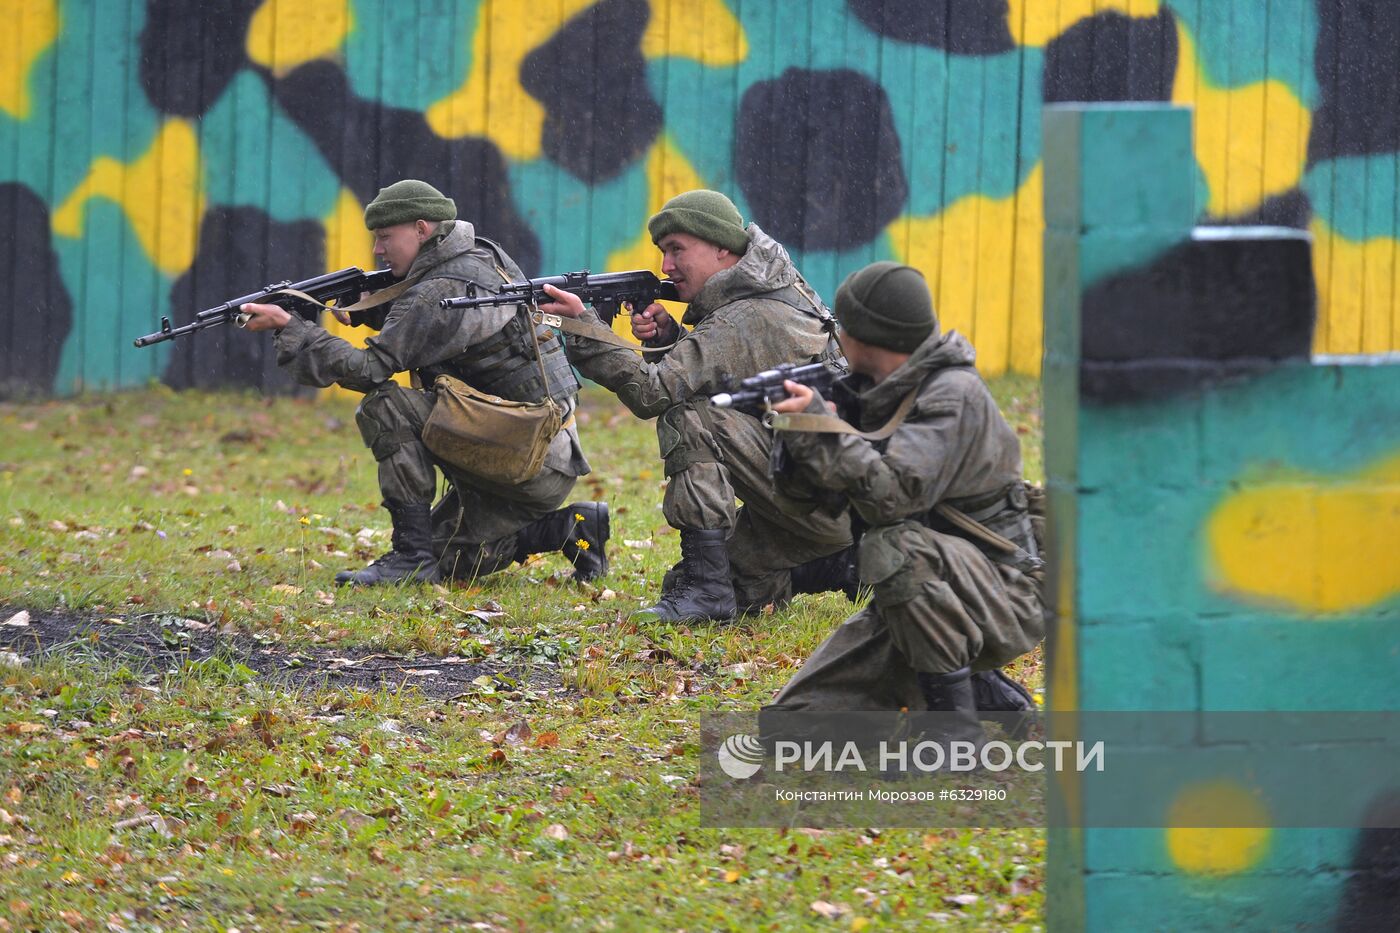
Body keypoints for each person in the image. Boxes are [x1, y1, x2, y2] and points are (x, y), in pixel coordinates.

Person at [239, 179, 608, 587]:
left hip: (526, 454)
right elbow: (450, 329)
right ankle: (572, 528)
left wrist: (293, 328)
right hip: (540, 450)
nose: (378, 250)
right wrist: (371, 308)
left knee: (387, 406)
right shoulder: (478, 254)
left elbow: (368, 370)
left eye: (385, 238)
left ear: (421, 229)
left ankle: (409, 558)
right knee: (453, 557)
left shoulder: (439, 288)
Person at [536, 189, 850, 622]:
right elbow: (731, 377)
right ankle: (830, 565)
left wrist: (583, 327)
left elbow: (654, 393)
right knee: (703, 583)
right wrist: (670, 341)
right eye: (663, 252)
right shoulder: (775, 289)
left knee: (691, 417)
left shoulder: (744, 317)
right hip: (837, 497)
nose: (666, 266)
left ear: (723, 247)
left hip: (822, 495)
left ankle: (708, 592)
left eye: (677, 250)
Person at [759, 261, 1044, 734]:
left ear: (866, 337)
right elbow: (811, 508)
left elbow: (893, 499)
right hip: (925, 598)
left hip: (1006, 588)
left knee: (895, 545)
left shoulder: (953, 394)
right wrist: (798, 434)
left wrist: (823, 430)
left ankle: (954, 732)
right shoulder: (875, 391)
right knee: (791, 729)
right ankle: (983, 692)